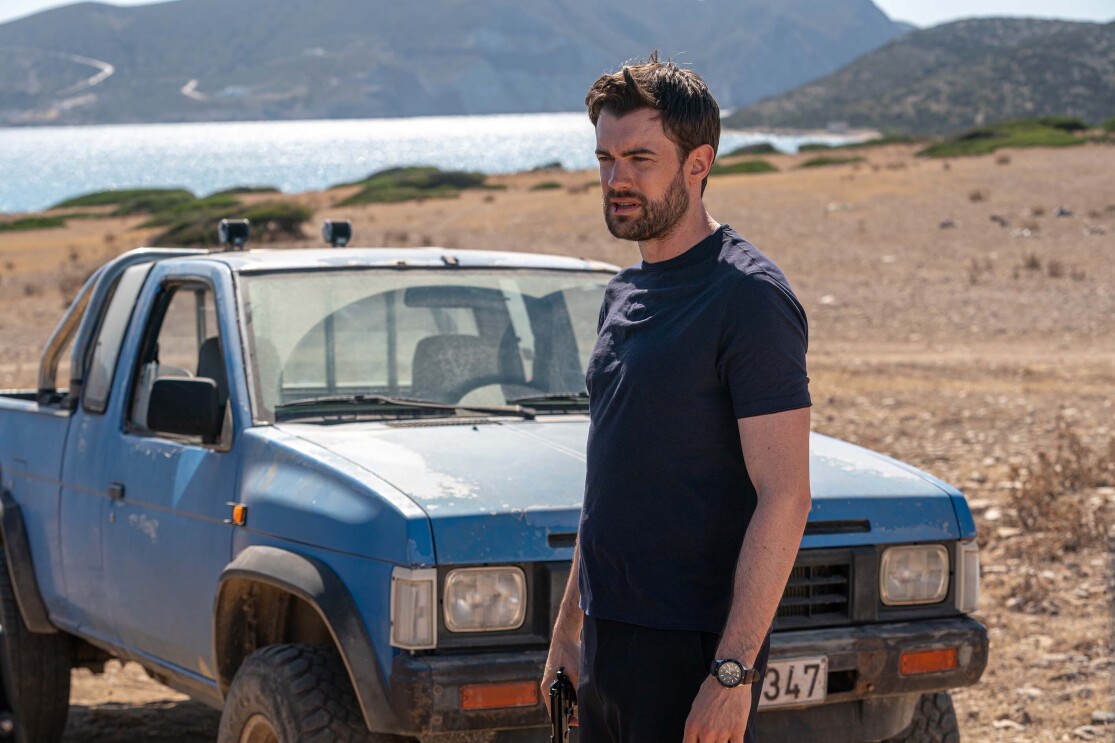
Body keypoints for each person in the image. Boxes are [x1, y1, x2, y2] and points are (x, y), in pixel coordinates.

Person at [541, 53, 813, 743]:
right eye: (604, 158)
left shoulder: (746, 297)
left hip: (692, 650)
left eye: (640, 157)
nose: (616, 179)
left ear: (698, 164)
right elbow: (608, 480)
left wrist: (731, 674)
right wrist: (569, 630)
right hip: (608, 641)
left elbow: (785, 495)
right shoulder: (621, 294)